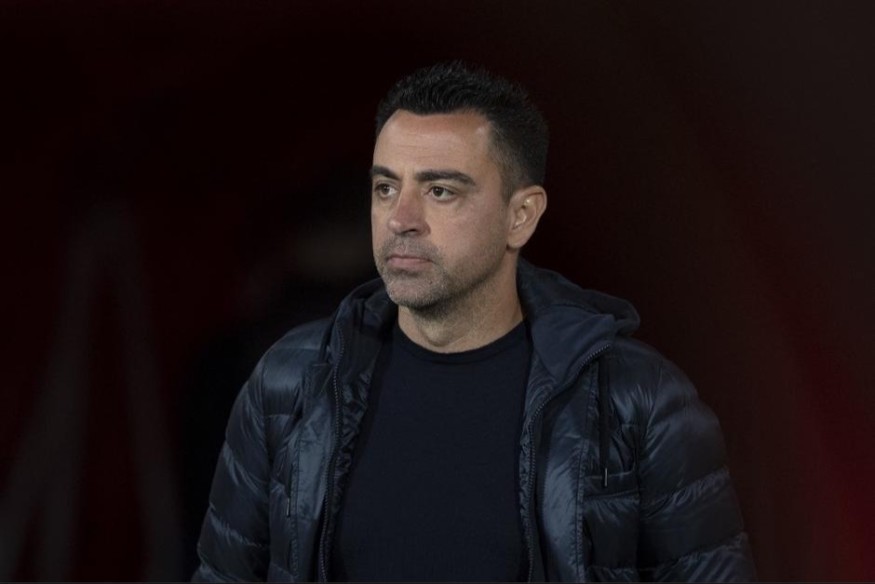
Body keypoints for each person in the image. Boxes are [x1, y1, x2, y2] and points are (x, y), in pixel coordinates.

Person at [192, 61, 757, 582]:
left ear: (521, 216)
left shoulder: (638, 400)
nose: (401, 219)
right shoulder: (290, 384)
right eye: (386, 187)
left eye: (440, 191)